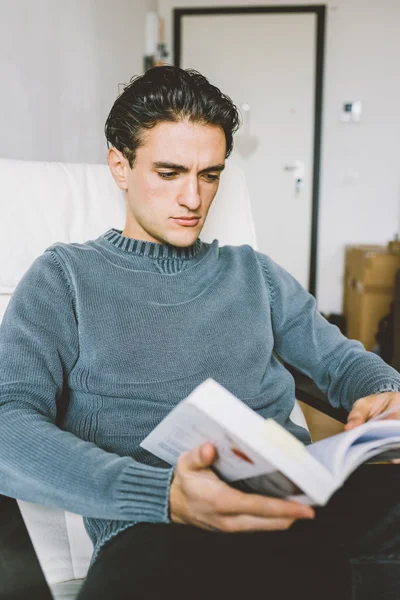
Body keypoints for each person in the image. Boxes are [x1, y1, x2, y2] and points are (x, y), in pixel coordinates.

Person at [0, 66, 399, 600]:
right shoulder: (64, 278)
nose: (193, 198)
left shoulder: (252, 274)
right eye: (169, 173)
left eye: (209, 175)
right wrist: (162, 494)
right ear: (120, 166)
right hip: (158, 525)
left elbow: (346, 363)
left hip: (299, 501)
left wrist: (385, 393)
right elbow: (7, 425)